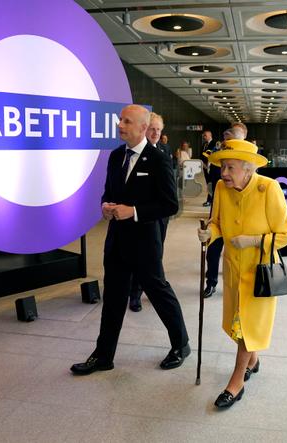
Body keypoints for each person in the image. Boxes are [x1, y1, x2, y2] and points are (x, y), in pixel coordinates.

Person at [70, 105, 190, 375]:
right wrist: (105, 206)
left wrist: (133, 211)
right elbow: (107, 192)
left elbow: (170, 205)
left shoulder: (158, 159)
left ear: (142, 128)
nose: (120, 125)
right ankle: (103, 356)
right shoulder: (115, 157)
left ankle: (181, 345)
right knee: (112, 298)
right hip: (117, 242)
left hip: (145, 243)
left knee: (159, 293)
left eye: (126, 121)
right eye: (120, 120)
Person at [197, 139, 287, 409]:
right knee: (238, 324)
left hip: (260, 273)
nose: (223, 173)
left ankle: (236, 382)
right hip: (232, 268)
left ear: (248, 169)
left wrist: (253, 240)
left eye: (229, 167)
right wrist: (209, 234)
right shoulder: (220, 187)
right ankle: (253, 360)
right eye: (222, 167)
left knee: (246, 327)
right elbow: (216, 222)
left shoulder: (268, 189)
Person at [128, 112, 174, 312]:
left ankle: (152, 286)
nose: (155, 133)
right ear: (144, 129)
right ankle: (135, 293)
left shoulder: (164, 150)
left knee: (156, 254)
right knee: (139, 255)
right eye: (152, 129)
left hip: (161, 216)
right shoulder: (135, 154)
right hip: (140, 216)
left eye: (158, 130)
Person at [203, 123, 247, 299]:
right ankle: (211, 282)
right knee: (213, 250)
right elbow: (215, 177)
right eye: (227, 142)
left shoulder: (250, 160)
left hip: (243, 216)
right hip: (220, 211)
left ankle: (240, 285)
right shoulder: (219, 157)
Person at [201, 130, 218, 207]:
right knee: (208, 184)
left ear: (210, 136)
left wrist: (209, 165)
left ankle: (210, 200)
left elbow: (214, 155)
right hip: (205, 167)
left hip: (212, 168)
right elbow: (202, 155)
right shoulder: (204, 144)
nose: (204, 137)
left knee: (211, 184)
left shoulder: (215, 143)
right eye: (204, 135)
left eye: (205, 135)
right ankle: (210, 200)